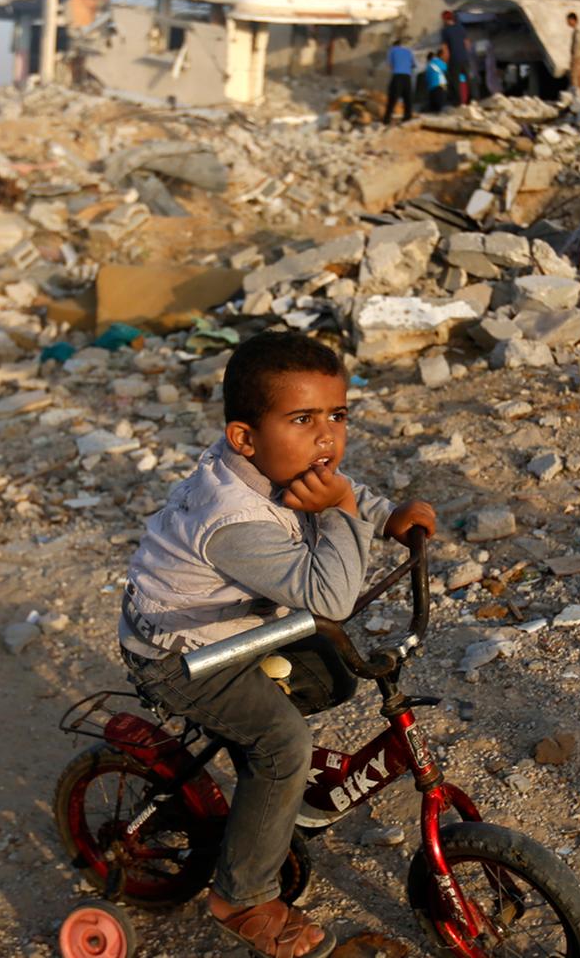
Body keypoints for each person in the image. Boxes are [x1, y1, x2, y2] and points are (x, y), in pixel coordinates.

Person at [120, 331, 437, 958]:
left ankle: (263, 776)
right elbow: (332, 596)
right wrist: (347, 511)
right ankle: (239, 894)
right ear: (245, 437)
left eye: (337, 416)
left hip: (234, 632)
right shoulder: (231, 520)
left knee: (337, 676)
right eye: (303, 419)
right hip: (181, 658)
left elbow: (323, 489)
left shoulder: (273, 458)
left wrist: (380, 513)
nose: (327, 437)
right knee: (284, 742)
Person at [439, 10, 472, 106]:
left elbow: (445, 49)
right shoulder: (460, 27)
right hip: (464, 58)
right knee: (468, 79)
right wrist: (465, 53)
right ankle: (470, 100)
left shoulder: (445, 31)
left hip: (454, 59)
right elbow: (467, 44)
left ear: (444, 19)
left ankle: (457, 102)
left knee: (454, 81)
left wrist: (444, 61)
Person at [383, 38, 414, 122]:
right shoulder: (408, 51)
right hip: (407, 76)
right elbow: (413, 65)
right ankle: (408, 117)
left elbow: (390, 64)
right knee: (407, 98)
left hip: (398, 76)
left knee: (392, 98)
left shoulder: (392, 50)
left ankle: (386, 119)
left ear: (394, 45)